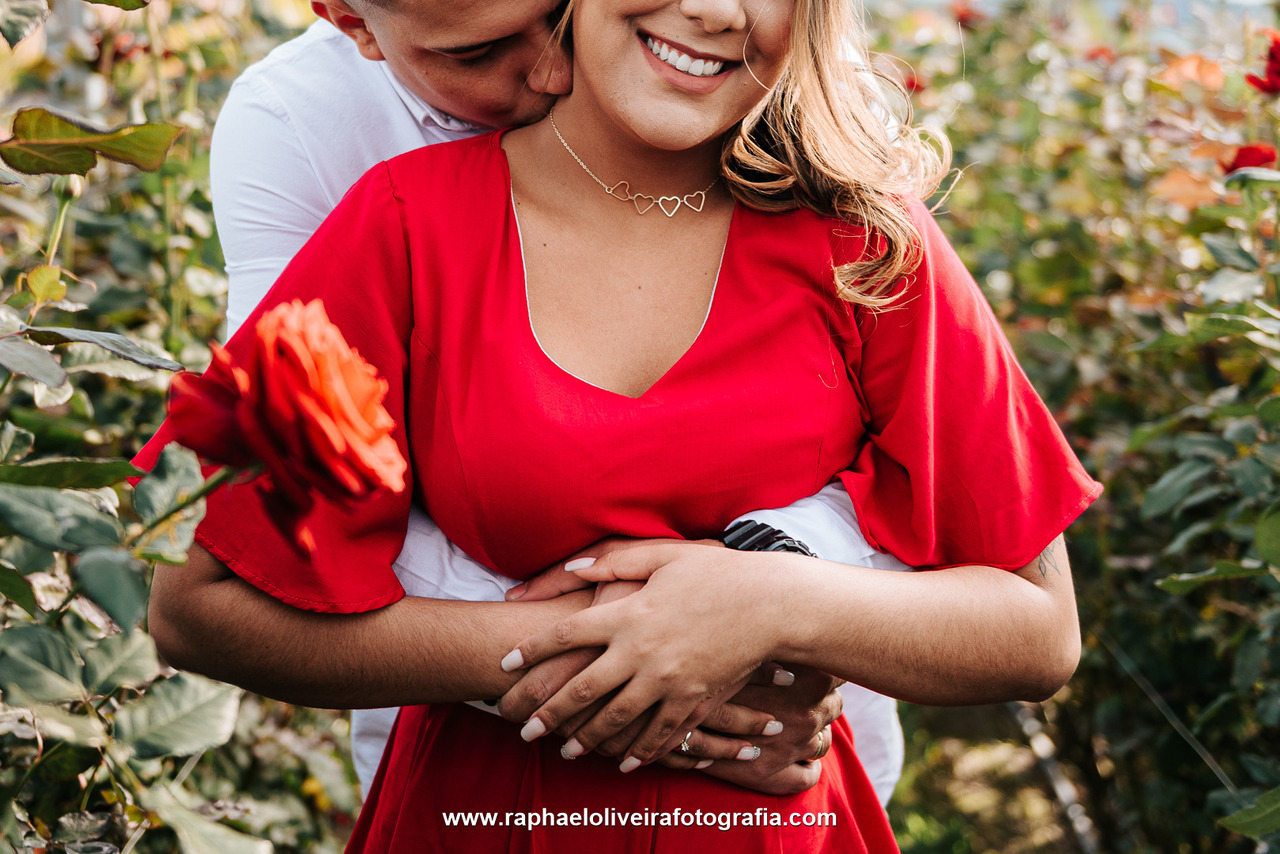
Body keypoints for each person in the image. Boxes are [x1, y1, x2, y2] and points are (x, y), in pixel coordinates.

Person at [140, 0, 1102, 848]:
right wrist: (619, 650)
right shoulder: (402, 226)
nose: (717, 9)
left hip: (777, 819)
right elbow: (198, 603)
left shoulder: (864, 240)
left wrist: (769, 606)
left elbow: (1037, 631)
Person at [207, 0, 907, 803]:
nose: (556, 70)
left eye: (559, 13)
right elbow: (295, 491)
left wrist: (772, 593)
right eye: (481, 54)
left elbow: (894, 439)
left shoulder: (760, 70)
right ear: (349, 20)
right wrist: (630, 647)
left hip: (781, 734)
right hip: (485, 725)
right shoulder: (303, 129)